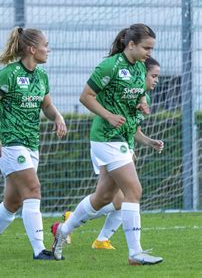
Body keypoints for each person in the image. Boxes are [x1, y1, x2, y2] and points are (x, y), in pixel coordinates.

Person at [52, 23, 164, 266]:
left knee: (103, 197)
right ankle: (135, 252)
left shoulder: (137, 68)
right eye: (146, 47)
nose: (149, 52)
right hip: (106, 136)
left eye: (151, 48)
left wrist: (142, 102)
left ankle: (63, 229)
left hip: (122, 137)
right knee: (133, 191)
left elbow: (136, 93)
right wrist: (108, 115)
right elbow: (86, 97)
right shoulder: (110, 65)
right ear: (131, 45)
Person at [0, 27, 67, 261]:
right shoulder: (9, 74)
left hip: (31, 144)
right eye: (46, 45)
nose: (49, 49)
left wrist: (57, 117)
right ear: (32, 49)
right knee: (33, 189)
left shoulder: (42, 76)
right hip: (9, 145)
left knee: (12, 202)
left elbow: (46, 105)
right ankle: (39, 250)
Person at [89, 56, 164, 250]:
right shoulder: (123, 87)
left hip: (122, 146)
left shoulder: (144, 98)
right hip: (108, 143)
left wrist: (150, 142)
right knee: (124, 195)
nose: (156, 80)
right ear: (141, 74)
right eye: (154, 76)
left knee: (116, 198)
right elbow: (92, 99)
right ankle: (78, 225)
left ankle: (100, 238)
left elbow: (134, 131)